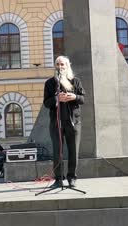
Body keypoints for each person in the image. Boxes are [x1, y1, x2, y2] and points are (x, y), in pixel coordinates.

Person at [43, 56, 85, 188]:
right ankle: (58, 179)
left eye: (62, 64)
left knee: (73, 151)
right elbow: (46, 103)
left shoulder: (75, 81)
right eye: (57, 64)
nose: (60, 67)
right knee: (57, 151)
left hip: (73, 122)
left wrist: (74, 96)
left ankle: (72, 177)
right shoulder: (50, 83)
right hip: (57, 122)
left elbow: (83, 98)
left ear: (67, 66)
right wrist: (56, 99)